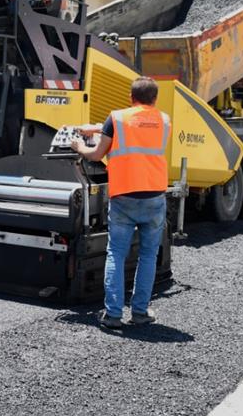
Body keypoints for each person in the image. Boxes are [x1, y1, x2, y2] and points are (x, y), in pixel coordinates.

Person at [71, 77, 171, 329]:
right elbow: (139, 130)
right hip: (154, 196)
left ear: (130, 97)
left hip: (124, 196)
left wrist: (80, 145)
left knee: (116, 253)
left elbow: (96, 154)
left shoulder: (116, 118)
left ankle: (113, 315)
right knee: (148, 256)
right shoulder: (164, 120)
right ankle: (140, 312)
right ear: (154, 99)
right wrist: (96, 128)